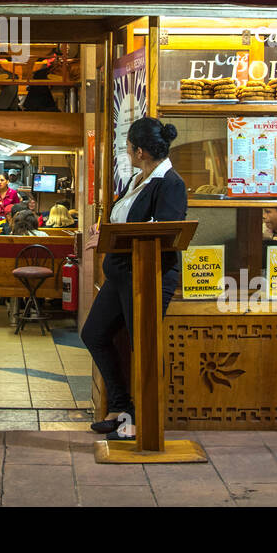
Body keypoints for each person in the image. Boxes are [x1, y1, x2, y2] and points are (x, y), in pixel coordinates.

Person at [81, 117, 187, 441]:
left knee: (145, 347)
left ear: (139, 151)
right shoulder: (137, 179)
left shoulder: (170, 183)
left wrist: (117, 237)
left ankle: (143, 422)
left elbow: (165, 234)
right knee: (94, 334)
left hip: (148, 276)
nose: (127, 154)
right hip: (121, 275)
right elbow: (126, 221)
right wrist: (106, 232)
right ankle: (120, 407)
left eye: (128, 149)